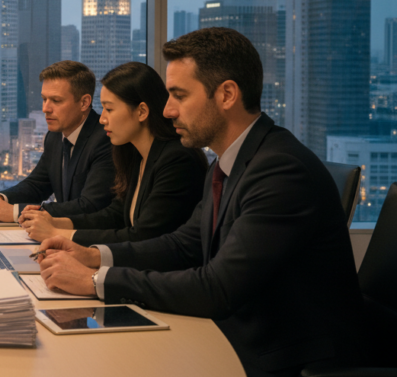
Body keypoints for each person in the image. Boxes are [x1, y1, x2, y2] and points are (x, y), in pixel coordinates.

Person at [35, 28, 364, 377]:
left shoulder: (281, 171)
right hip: (236, 338)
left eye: (178, 95)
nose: (169, 110)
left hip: (286, 360)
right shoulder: (225, 164)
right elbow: (184, 245)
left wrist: (95, 281)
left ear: (226, 95)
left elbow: (217, 287)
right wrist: (94, 256)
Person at [20, 62, 207, 244]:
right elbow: (114, 215)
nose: (102, 119)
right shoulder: (136, 154)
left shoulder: (177, 160)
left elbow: (143, 236)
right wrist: (55, 222)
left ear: (142, 111)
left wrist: (58, 234)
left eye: (109, 109)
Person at [0, 61, 115, 222]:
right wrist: (0, 198)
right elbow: (37, 185)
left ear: (84, 102)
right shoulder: (54, 136)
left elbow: (89, 205)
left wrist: (15, 212)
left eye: (56, 100)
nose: (46, 108)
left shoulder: (105, 139)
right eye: (44, 99)